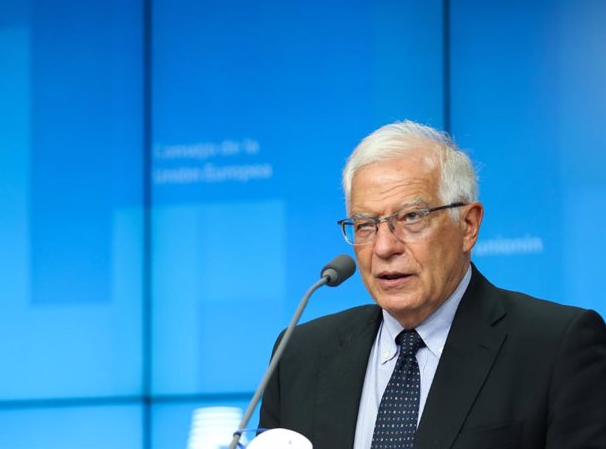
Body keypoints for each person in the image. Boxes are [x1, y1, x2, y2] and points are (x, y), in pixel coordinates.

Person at [258, 120, 606, 449]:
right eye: (365, 224)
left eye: (411, 218)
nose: (384, 247)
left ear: (468, 225)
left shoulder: (556, 347)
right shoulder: (299, 356)